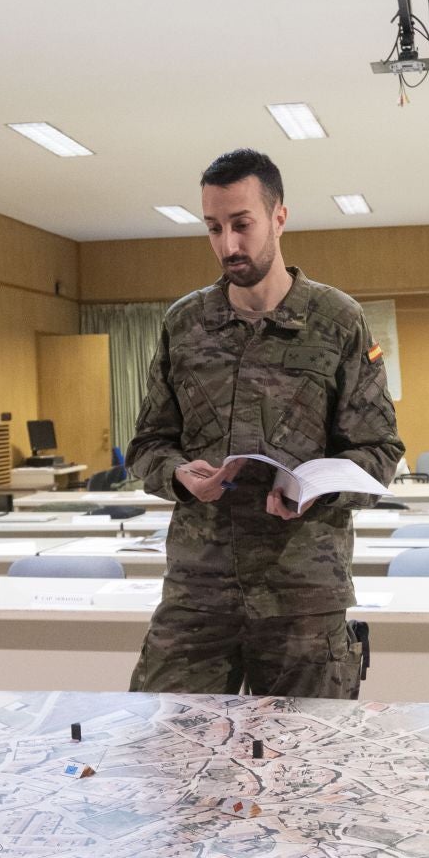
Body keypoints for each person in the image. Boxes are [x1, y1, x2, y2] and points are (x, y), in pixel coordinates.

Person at [126, 149, 402, 698]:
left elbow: (378, 452)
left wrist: (314, 491)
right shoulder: (185, 324)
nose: (228, 245)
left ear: (279, 216)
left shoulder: (337, 320)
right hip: (198, 593)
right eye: (213, 228)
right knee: (168, 759)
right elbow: (148, 445)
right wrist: (181, 476)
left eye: (241, 224)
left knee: (306, 770)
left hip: (301, 594)